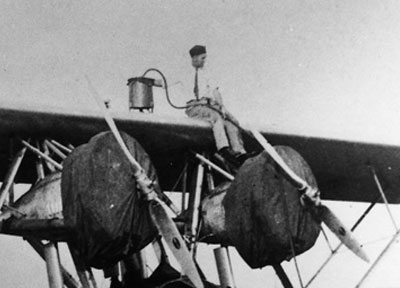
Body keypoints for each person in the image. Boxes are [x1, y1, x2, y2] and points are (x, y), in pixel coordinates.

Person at [185, 45, 250, 166]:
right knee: (215, 117)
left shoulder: (207, 72)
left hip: (209, 104)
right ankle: (223, 149)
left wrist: (222, 107)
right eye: (202, 58)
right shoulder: (184, 73)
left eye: (205, 58)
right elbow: (164, 82)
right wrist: (150, 82)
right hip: (194, 106)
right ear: (194, 58)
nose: (205, 61)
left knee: (232, 120)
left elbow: (215, 91)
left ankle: (239, 152)